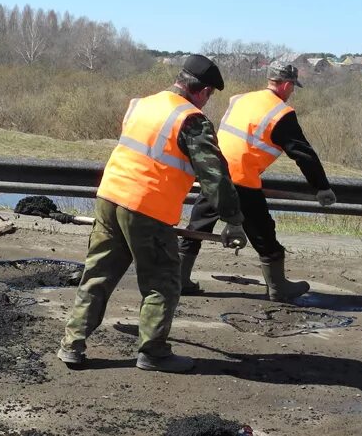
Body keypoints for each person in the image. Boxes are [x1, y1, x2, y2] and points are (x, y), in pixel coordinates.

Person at [58, 54, 247, 373]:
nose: (206, 102)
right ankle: (153, 352)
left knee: (98, 274)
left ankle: (72, 344)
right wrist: (232, 220)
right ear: (202, 91)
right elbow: (214, 175)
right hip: (147, 208)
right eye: (209, 95)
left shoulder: (141, 104)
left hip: (110, 197)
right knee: (162, 281)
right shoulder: (191, 119)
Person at [180, 59, 335, 301]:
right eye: (293, 86)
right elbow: (303, 153)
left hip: (215, 172)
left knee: (198, 226)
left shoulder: (241, 98)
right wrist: (322, 186)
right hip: (242, 179)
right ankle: (278, 286)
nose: (292, 92)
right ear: (285, 85)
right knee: (263, 231)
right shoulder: (281, 113)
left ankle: (178, 280)